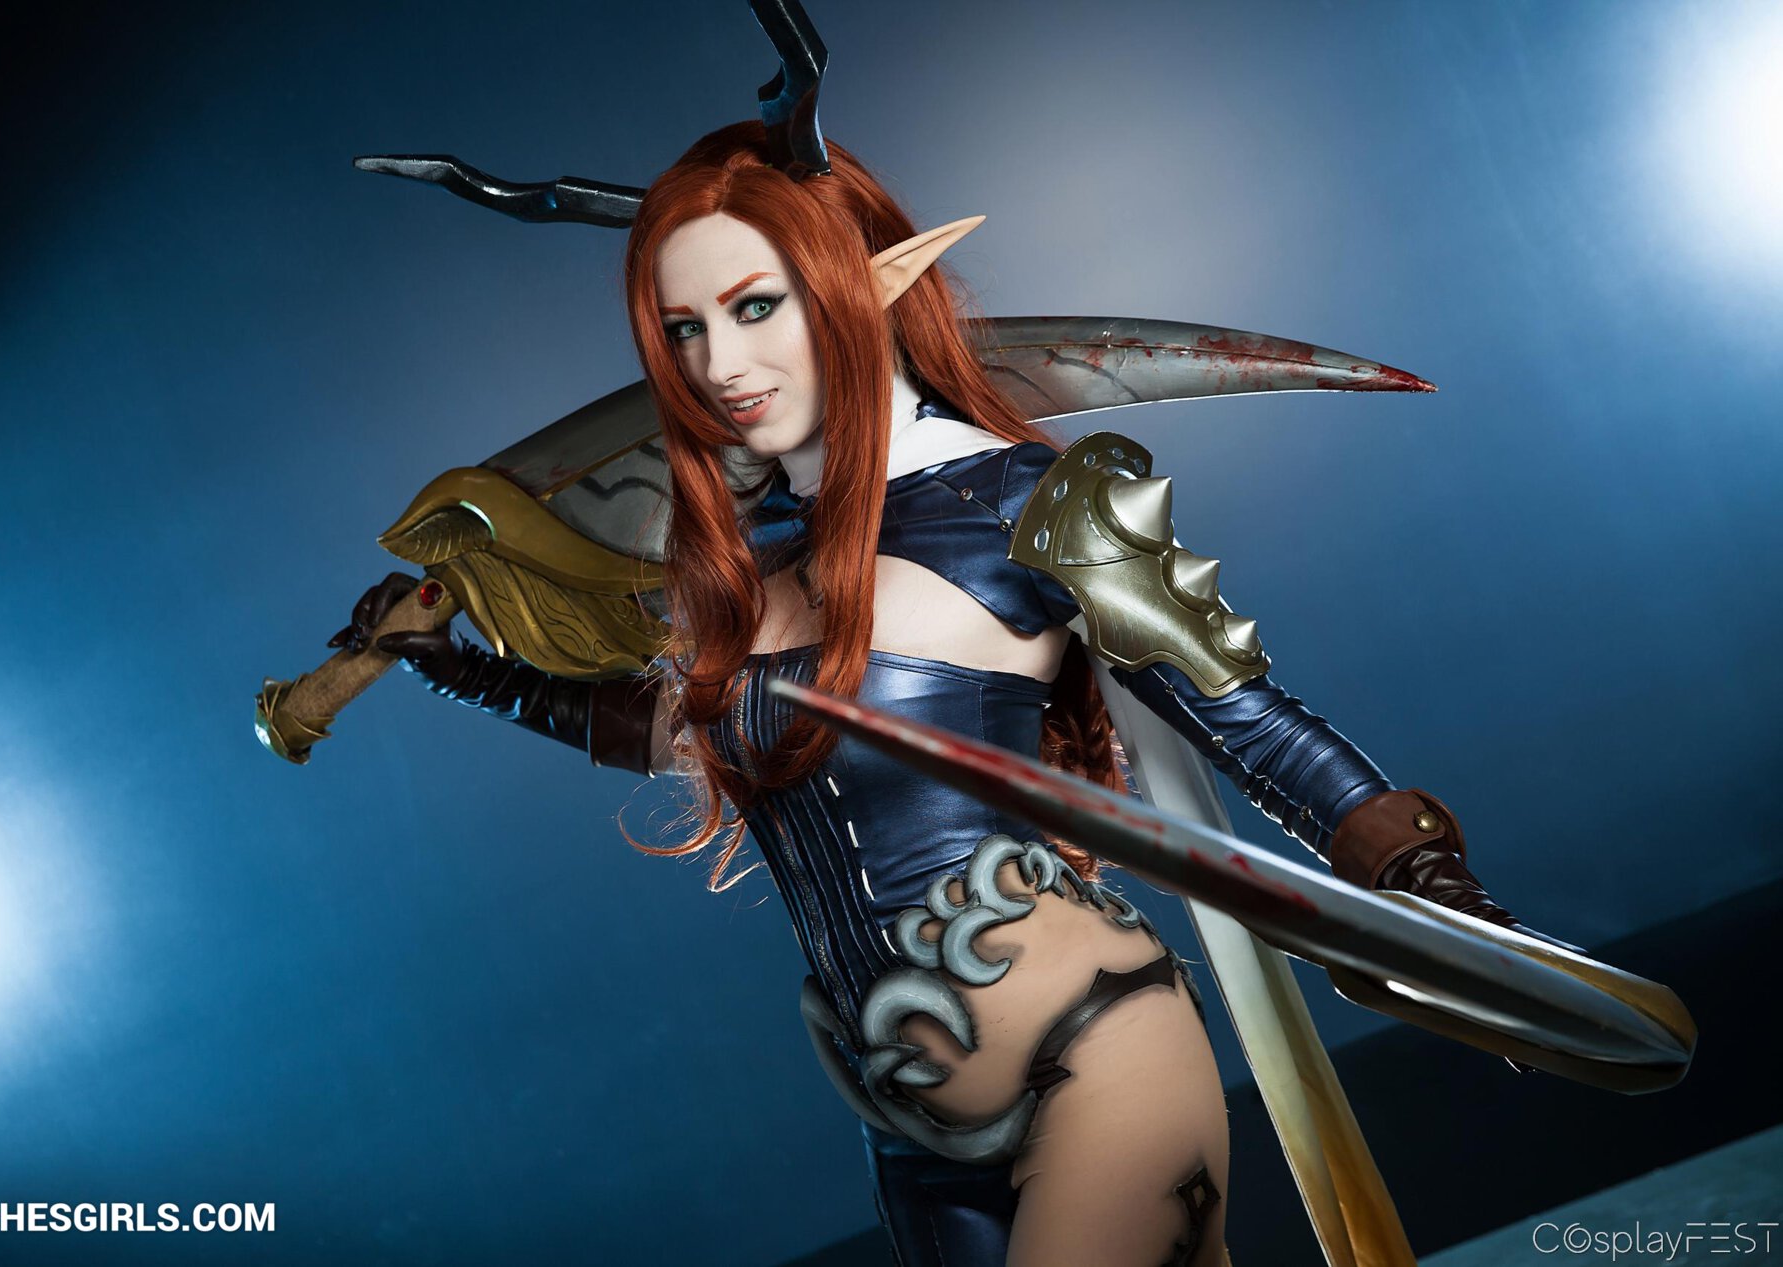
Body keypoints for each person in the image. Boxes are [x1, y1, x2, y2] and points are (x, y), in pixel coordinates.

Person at [330, 121, 1561, 1267]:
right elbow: (670, 733)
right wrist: (458, 669)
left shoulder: (1022, 501)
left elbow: (1246, 720)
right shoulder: (754, 571)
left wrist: (1433, 896)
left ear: (859, 287)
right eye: (684, 327)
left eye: (756, 306)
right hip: (907, 1130)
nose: (721, 364)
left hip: (1100, 1059)